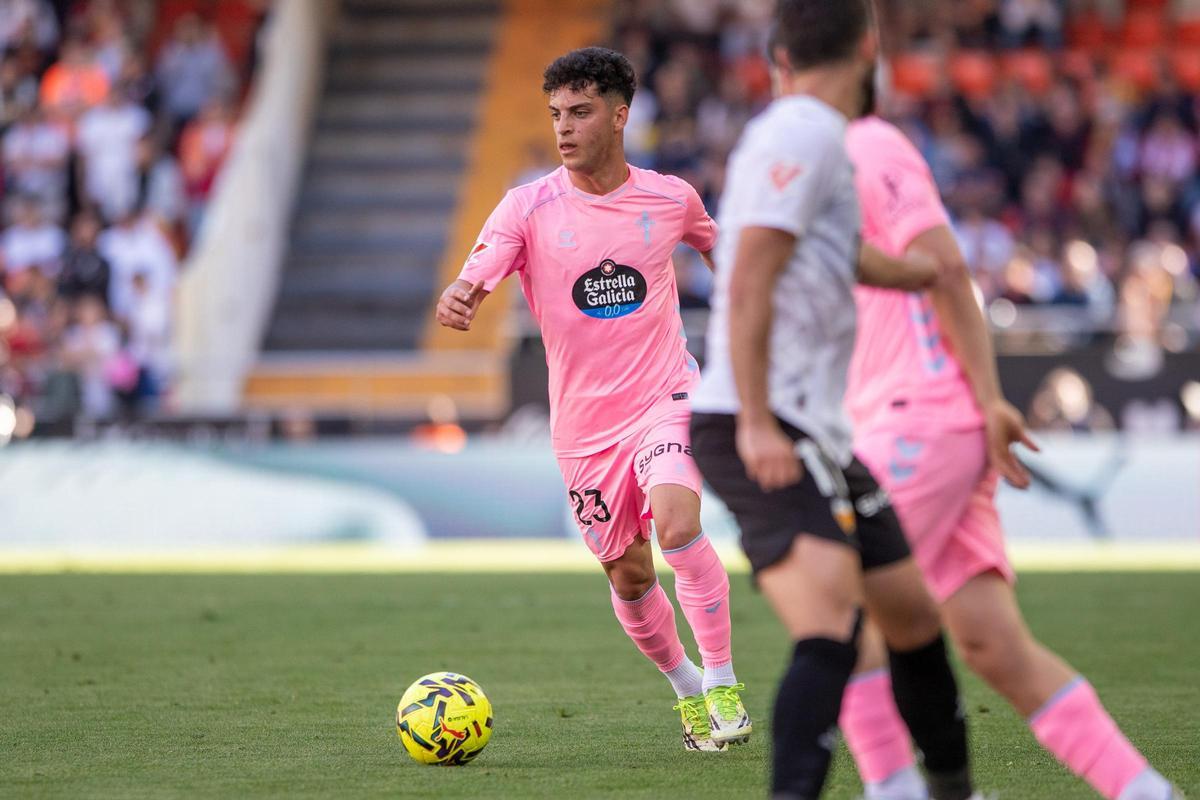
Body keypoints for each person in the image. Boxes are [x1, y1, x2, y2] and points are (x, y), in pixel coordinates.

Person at [835, 114, 1186, 800]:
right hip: (913, 418)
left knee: (835, 602)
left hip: (919, 419)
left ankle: (896, 792)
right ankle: (1149, 793)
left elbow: (945, 267)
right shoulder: (821, 164)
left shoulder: (864, 144)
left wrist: (990, 397)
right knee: (995, 646)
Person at [688, 2, 981, 797]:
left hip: (813, 430)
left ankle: (947, 791)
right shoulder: (806, 132)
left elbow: (828, 250)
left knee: (912, 617)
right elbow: (749, 280)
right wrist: (754, 418)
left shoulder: (799, 136)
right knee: (832, 628)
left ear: (782, 54)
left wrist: (919, 272)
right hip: (754, 422)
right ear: (868, 47)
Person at [435, 46, 750, 753]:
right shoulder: (529, 205)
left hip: (666, 395)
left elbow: (724, 254)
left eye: (579, 112)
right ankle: (688, 689)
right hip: (583, 427)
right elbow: (480, 269)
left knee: (676, 524)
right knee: (630, 573)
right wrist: (464, 292)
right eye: (555, 114)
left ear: (619, 115)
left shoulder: (671, 198)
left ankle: (725, 680)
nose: (564, 128)